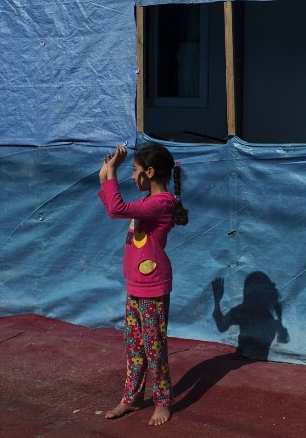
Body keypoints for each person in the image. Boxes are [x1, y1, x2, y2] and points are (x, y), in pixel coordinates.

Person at [96, 143, 189, 426]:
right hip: (136, 284)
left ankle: (163, 401)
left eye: (135, 172)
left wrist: (113, 171)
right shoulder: (149, 200)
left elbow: (115, 208)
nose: (132, 177)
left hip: (153, 288)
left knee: (153, 347)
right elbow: (111, 198)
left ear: (150, 172)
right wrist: (107, 170)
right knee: (134, 346)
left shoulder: (161, 203)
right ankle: (132, 397)